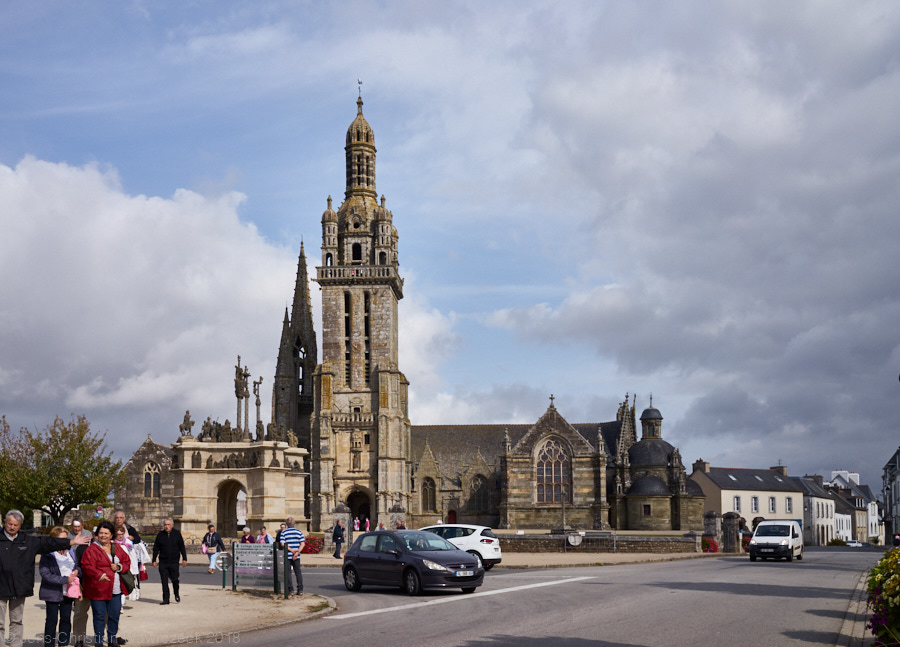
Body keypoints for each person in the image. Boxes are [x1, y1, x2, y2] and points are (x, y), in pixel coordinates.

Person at [0, 510, 90, 647]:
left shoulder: (28, 540)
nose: (12, 527)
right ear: (4, 522)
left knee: (16, 621)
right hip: (1, 587)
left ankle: (15, 645)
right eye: (9, 524)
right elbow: (45, 572)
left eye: (15, 525)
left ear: (20, 525)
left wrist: (70, 542)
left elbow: (48, 543)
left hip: (19, 587)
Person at [80, 520, 131, 647]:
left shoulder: (117, 547)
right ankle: (98, 641)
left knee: (114, 615)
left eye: (106, 533)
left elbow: (127, 561)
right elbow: (86, 566)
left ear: (111, 535)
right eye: (101, 533)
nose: (103, 535)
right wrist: (99, 575)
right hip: (97, 588)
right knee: (99, 616)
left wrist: (119, 567)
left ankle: (112, 639)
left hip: (116, 588)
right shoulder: (92, 549)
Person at [39, 526, 81, 647]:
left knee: (66, 619)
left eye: (65, 538)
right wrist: (64, 580)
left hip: (68, 592)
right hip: (52, 592)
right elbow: (45, 574)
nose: (64, 541)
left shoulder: (70, 551)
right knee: (52, 620)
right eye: (61, 539)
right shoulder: (47, 554)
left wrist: (77, 571)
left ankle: (63, 643)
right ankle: (49, 644)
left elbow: (77, 566)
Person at [151, 518, 187, 605]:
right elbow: (156, 548)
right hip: (163, 562)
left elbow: (182, 547)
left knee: (175, 579)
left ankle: (176, 594)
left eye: (168, 524)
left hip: (174, 561)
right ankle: (166, 599)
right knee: (164, 581)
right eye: (165, 525)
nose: (166, 526)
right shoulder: (160, 535)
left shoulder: (177, 534)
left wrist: (184, 558)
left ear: (172, 525)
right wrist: (154, 560)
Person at [279, 516, 306, 596]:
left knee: (288, 573)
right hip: (296, 556)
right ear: (294, 523)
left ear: (286, 524)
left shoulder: (283, 532)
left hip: (287, 555)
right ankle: (300, 590)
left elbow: (282, 544)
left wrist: (291, 550)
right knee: (298, 572)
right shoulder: (299, 532)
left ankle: (290, 590)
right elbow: (302, 544)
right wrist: (297, 552)